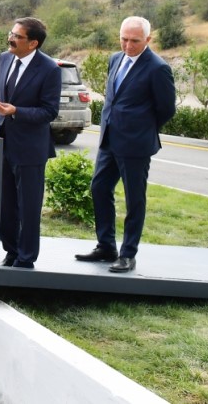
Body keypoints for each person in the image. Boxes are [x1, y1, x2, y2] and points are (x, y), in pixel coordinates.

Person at [75, 16, 175, 272]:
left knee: (134, 200)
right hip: (109, 139)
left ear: (148, 39)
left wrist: (141, 129)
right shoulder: (115, 59)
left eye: (135, 41)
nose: (128, 45)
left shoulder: (158, 68)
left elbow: (166, 109)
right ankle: (106, 246)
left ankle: (128, 254)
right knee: (99, 188)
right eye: (124, 39)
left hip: (136, 145)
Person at [0, 17, 61, 269]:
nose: (11, 39)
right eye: (11, 33)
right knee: (5, 205)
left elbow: (49, 111)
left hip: (30, 149)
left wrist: (16, 111)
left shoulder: (50, 69)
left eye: (17, 36)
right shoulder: (3, 59)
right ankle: (11, 250)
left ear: (33, 43)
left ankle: (26, 257)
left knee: (28, 207)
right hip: (3, 144)